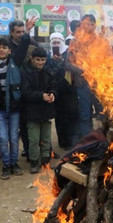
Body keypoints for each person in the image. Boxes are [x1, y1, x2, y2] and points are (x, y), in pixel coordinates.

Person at [0, 34, 32, 179]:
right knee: (2, 137)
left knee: (13, 138)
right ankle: (6, 165)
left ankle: (14, 163)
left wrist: (27, 31)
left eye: (4, 47)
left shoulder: (14, 63)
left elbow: (24, 47)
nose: (1, 49)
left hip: (13, 109)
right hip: (0, 110)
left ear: (9, 50)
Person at [21, 47, 57, 173]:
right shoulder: (25, 72)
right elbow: (25, 92)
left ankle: (46, 161)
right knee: (34, 140)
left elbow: (54, 86)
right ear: (32, 59)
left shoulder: (48, 71)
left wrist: (52, 94)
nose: (41, 62)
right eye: (38, 60)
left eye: (43, 60)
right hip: (32, 112)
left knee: (46, 139)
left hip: (46, 111)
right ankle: (34, 162)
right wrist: (41, 95)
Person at [46, 32, 80, 151]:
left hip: (70, 90)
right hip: (56, 91)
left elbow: (74, 68)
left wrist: (62, 61)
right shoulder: (48, 56)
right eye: (53, 42)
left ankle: (73, 141)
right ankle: (63, 142)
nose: (56, 44)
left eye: (58, 41)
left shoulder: (69, 54)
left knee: (72, 116)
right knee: (60, 118)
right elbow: (49, 72)